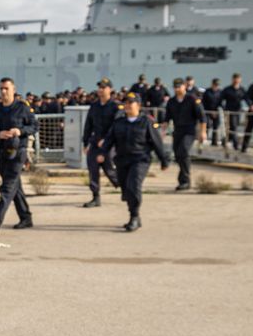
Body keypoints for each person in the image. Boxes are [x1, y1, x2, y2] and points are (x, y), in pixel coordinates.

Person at [94, 95, 170, 232]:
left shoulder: (146, 122)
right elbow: (109, 140)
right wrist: (102, 153)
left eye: (131, 103)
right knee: (126, 190)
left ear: (138, 105)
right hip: (122, 160)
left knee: (134, 186)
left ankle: (134, 216)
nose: (128, 105)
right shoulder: (119, 122)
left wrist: (164, 160)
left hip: (140, 159)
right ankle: (135, 216)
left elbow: (157, 142)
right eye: (126, 103)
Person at [0, 76, 36, 231]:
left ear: (13, 90)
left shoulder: (22, 107)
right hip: (3, 151)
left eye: (6, 88)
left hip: (18, 152)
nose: (3, 91)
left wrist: (20, 131)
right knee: (15, 185)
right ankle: (26, 217)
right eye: (1, 89)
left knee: (8, 186)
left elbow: (34, 126)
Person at [82, 78, 120, 208]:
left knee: (110, 170)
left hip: (109, 144)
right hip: (95, 143)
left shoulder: (115, 106)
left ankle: (125, 187)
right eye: (99, 87)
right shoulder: (94, 106)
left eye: (103, 87)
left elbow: (116, 126)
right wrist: (86, 143)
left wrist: (107, 140)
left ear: (110, 89)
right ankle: (95, 197)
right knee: (93, 170)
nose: (100, 90)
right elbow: (88, 125)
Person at [164, 79, 206, 191]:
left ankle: (185, 180)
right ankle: (184, 178)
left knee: (183, 151)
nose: (177, 89)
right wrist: (162, 132)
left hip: (189, 131)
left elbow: (202, 117)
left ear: (184, 86)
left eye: (179, 86)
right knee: (178, 155)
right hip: (177, 131)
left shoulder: (192, 99)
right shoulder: (172, 101)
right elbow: (167, 118)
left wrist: (203, 132)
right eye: (175, 87)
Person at [220, 72, 247, 149]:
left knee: (234, 126)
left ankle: (224, 140)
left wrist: (251, 105)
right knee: (233, 126)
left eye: (238, 79)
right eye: (235, 79)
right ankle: (236, 145)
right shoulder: (227, 89)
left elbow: (247, 98)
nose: (236, 81)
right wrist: (223, 108)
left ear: (240, 80)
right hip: (229, 111)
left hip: (238, 111)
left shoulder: (242, 90)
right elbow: (220, 99)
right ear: (232, 79)